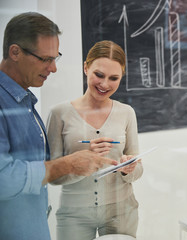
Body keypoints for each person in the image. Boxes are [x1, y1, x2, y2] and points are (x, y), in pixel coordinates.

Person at [0, 12, 118, 240]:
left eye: (56, 58)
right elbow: (3, 179)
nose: (53, 68)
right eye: (45, 59)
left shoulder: (23, 99)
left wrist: (75, 162)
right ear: (15, 52)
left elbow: (29, 163)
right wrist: (64, 165)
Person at [46, 40, 143, 239]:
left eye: (114, 78)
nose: (105, 84)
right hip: (74, 214)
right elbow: (50, 174)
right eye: (99, 75)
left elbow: (138, 167)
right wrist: (80, 163)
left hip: (122, 211)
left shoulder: (126, 113)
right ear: (86, 67)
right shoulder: (59, 114)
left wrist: (129, 168)